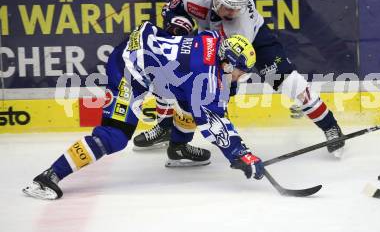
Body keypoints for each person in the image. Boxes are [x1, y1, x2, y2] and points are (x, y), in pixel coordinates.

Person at [22, 21, 264, 200]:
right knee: (114, 137)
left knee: (189, 105)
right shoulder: (206, 77)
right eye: (239, 72)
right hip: (127, 69)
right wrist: (241, 154)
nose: (240, 78)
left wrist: (224, 91)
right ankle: (47, 177)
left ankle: (177, 148)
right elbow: (214, 122)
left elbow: (212, 89)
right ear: (227, 63)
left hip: (147, 51)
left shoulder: (212, 41)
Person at [133, 0, 345, 156]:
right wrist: (178, 26)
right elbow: (170, 10)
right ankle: (167, 126)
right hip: (211, 41)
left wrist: (222, 92)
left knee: (289, 83)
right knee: (179, 77)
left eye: (237, 9)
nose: (233, 13)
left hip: (253, 44)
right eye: (228, 8)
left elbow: (234, 69)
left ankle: (330, 126)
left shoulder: (240, 24)